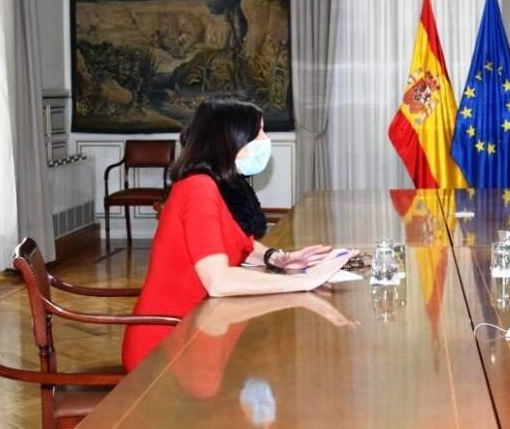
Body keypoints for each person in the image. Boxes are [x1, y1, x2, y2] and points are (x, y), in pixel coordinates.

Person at [122, 98, 355, 371]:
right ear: (231, 140)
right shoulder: (198, 189)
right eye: (259, 133)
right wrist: (304, 282)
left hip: (199, 329)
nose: (265, 140)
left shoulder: (207, 184)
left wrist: (278, 258)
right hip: (166, 350)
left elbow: (239, 242)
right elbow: (218, 281)